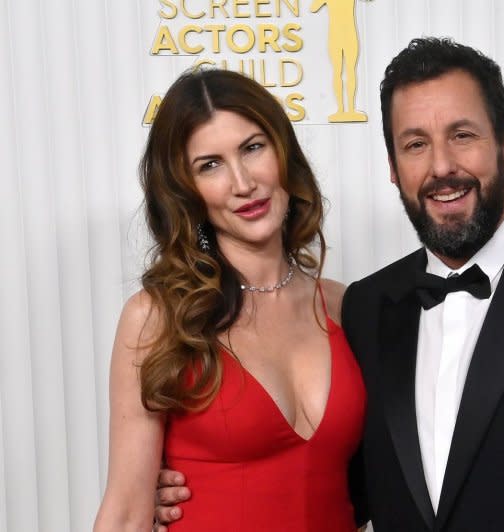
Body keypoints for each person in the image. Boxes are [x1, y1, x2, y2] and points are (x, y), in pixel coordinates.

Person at [155, 38, 504, 531]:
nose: (441, 166)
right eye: (416, 144)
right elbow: (338, 483)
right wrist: (203, 494)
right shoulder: (369, 307)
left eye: (463, 134)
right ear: (394, 167)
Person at [93, 68, 367, 532]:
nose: (243, 183)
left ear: (283, 152)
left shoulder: (344, 306)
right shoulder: (158, 317)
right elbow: (124, 515)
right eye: (210, 165)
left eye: (252, 147)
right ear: (188, 192)